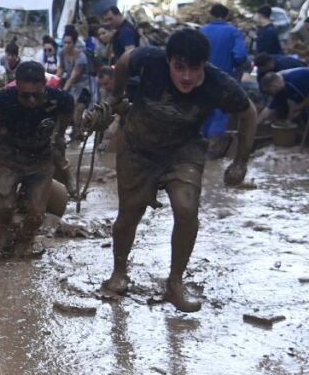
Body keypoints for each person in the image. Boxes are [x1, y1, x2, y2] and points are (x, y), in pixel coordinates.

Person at [82, 28, 257, 312]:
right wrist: (116, 96)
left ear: (204, 65)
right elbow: (124, 60)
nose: (186, 77)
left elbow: (248, 113)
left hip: (182, 150)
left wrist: (241, 161)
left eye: (194, 69)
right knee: (129, 215)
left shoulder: (218, 84)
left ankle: (175, 282)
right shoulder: (150, 59)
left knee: (187, 210)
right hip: (137, 147)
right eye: (179, 68)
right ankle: (119, 272)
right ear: (169, 62)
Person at [0, 61, 74, 257]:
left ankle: (25, 242)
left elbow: (69, 112)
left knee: (36, 215)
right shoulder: (6, 99)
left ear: (44, 85)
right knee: (3, 208)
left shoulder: (59, 99)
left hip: (41, 160)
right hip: (9, 158)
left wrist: (60, 133)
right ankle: (1, 230)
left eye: (36, 95)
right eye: (25, 96)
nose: (32, 100)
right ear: (17, 87)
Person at [200, 3, 248, 150]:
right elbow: (240, 56)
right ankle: (214, 148)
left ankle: (200, 146)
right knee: (221, 111)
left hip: (201, 77)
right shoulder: (233, 32)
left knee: (203, 109)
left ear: (211, 15)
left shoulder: (202, 30)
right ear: (226, 16)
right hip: (224, 78)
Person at [56, 26, 93, 136]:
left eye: (69, 43)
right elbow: (61, 68)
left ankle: (79, 132)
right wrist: (55, 80)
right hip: (70, 85)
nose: (66, 45)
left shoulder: (81, 58)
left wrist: (63, 92)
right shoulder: (62, 53)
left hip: (84, 86)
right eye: (65, 42)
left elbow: (73, 77)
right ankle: (75, 132)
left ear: (74, 43)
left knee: (78, 110)